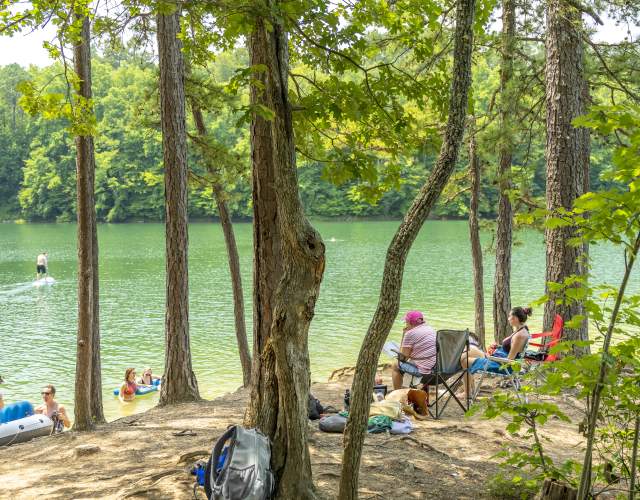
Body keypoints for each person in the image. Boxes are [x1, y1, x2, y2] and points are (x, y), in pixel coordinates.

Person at [461, 306, 533, 399]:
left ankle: (467, 393)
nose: (508, 318)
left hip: (503, 366)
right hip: (498, 358)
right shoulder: (522, 330)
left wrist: (490, 357)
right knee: (468, 350)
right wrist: (498, 347)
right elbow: (511, 349)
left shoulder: (519, 335)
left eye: (509, 316)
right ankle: (471, 390)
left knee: (464, 361)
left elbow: (509, 360)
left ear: (515, 318)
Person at [391, 310, 437, 390]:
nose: (405, 324)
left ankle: (397, 393)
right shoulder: (429, 328)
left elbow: (403, 358)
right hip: (435, 366)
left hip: (424, 371)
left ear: (410, 323)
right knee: (411, 360)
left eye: (406, 322)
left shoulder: (410, 333)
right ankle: (408, 388)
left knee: (395, 365)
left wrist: (404, 334)